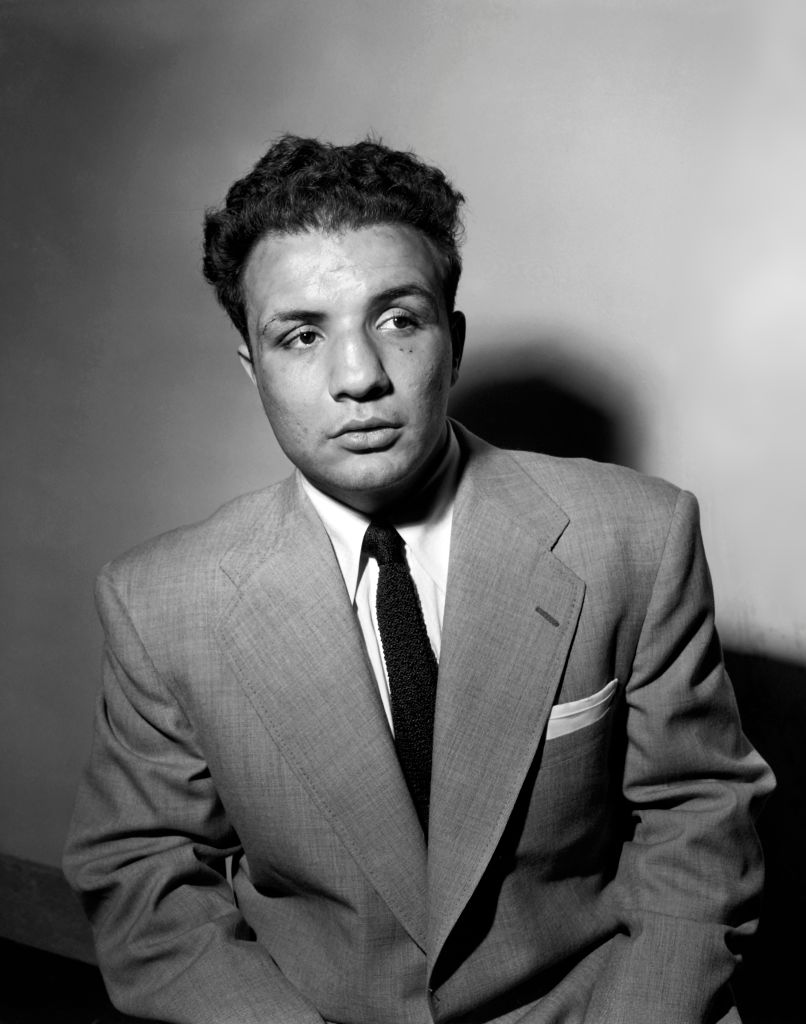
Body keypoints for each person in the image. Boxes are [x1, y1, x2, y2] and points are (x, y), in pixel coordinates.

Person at [64, 135, 773, 1024]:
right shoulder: (160, 603)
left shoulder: (636, 536)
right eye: (302, 335)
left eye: (398, 320)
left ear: (454, 340)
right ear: (253, 366)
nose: (359, 377)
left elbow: (697, 819)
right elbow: (147, 878)